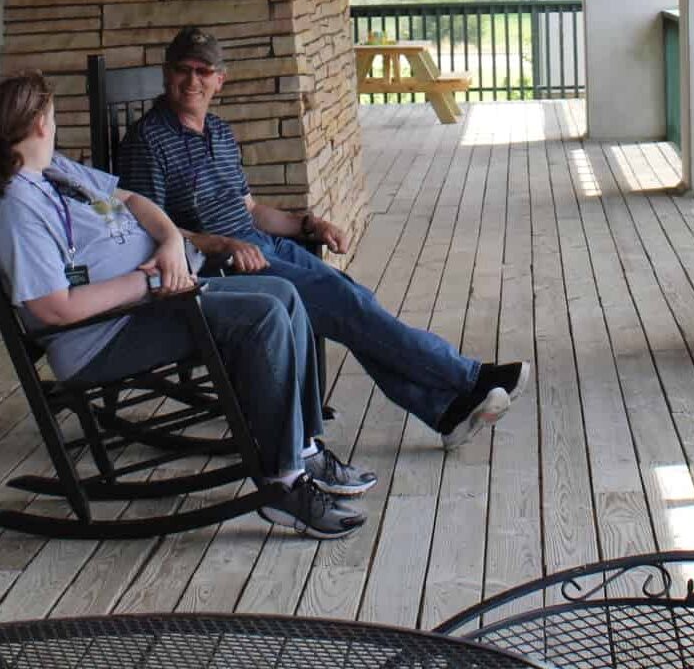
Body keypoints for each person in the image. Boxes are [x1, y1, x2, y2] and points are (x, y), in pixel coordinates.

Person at [0, 70, 378, 540]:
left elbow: (135, 200)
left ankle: (302, 449)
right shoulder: (18, 207)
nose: (55, 126)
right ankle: (282, 483)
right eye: (53, 117)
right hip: (105, 333)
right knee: (259, 317)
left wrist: (169, 244)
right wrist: (147, 281)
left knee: (282, 292)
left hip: (162, 291)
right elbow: (55, 310)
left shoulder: (55, 168)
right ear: (39, 123)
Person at [117, 27, 530, 450]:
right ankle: (468, 378)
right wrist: (220, 244)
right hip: (225, 267)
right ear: (166, 74)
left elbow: (250, 210)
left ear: (219, 80)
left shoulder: (219, 133)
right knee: (348, 305)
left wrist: (307, 224)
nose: (193, 81)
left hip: (260, 245)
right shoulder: (148, 141)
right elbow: (144, 229)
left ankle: (447, 412)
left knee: (353, 300)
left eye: (204, 71)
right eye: (183, 70)